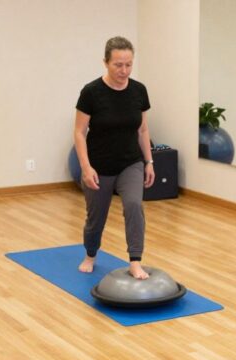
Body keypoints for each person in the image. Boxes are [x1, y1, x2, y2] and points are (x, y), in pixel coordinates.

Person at [74, 36, 156, 279]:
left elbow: (142, 130)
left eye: (128, 64)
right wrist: (86, 167)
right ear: (105, 63)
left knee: (133, 206)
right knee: (96, 217)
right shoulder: (91, 92)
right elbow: (79, 132)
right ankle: (90, 254)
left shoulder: (139, 91)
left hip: (130, 162)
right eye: (118, 65)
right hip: (99, 166)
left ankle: (135, 261)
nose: (124, 70)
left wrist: (149, 161)